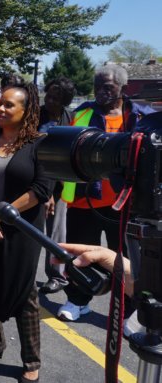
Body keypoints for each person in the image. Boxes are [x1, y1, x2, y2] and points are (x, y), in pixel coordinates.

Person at [0, 83, 51, 383]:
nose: (0, 109)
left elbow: (41, 190)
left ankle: (31, 359)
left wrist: (0, 216)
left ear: (27, 111)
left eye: (9, 105)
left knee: (24, 294)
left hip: (21, 232)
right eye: (0, 103)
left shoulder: (41, 144)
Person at [56, 65, 154, 321]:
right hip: (84, 201)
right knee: (81, 254)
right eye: (98, 86)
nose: (101, 92)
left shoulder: (141, 117)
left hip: (125, 205)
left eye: (108, 87)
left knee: (123, 258)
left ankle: (124, 310)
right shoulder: (82, 113)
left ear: (122, 88)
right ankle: (77, 300)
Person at [37, 77, 75, 295]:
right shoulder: (35, 115)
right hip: (34, 183)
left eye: (56, 98)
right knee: (28, 231)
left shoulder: (70, 119)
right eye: (48, 95)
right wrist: (43, 191)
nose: (50, 100)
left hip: (59, 188)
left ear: (65, 102)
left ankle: (56, 276)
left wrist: (51, 192)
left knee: (56, 234)